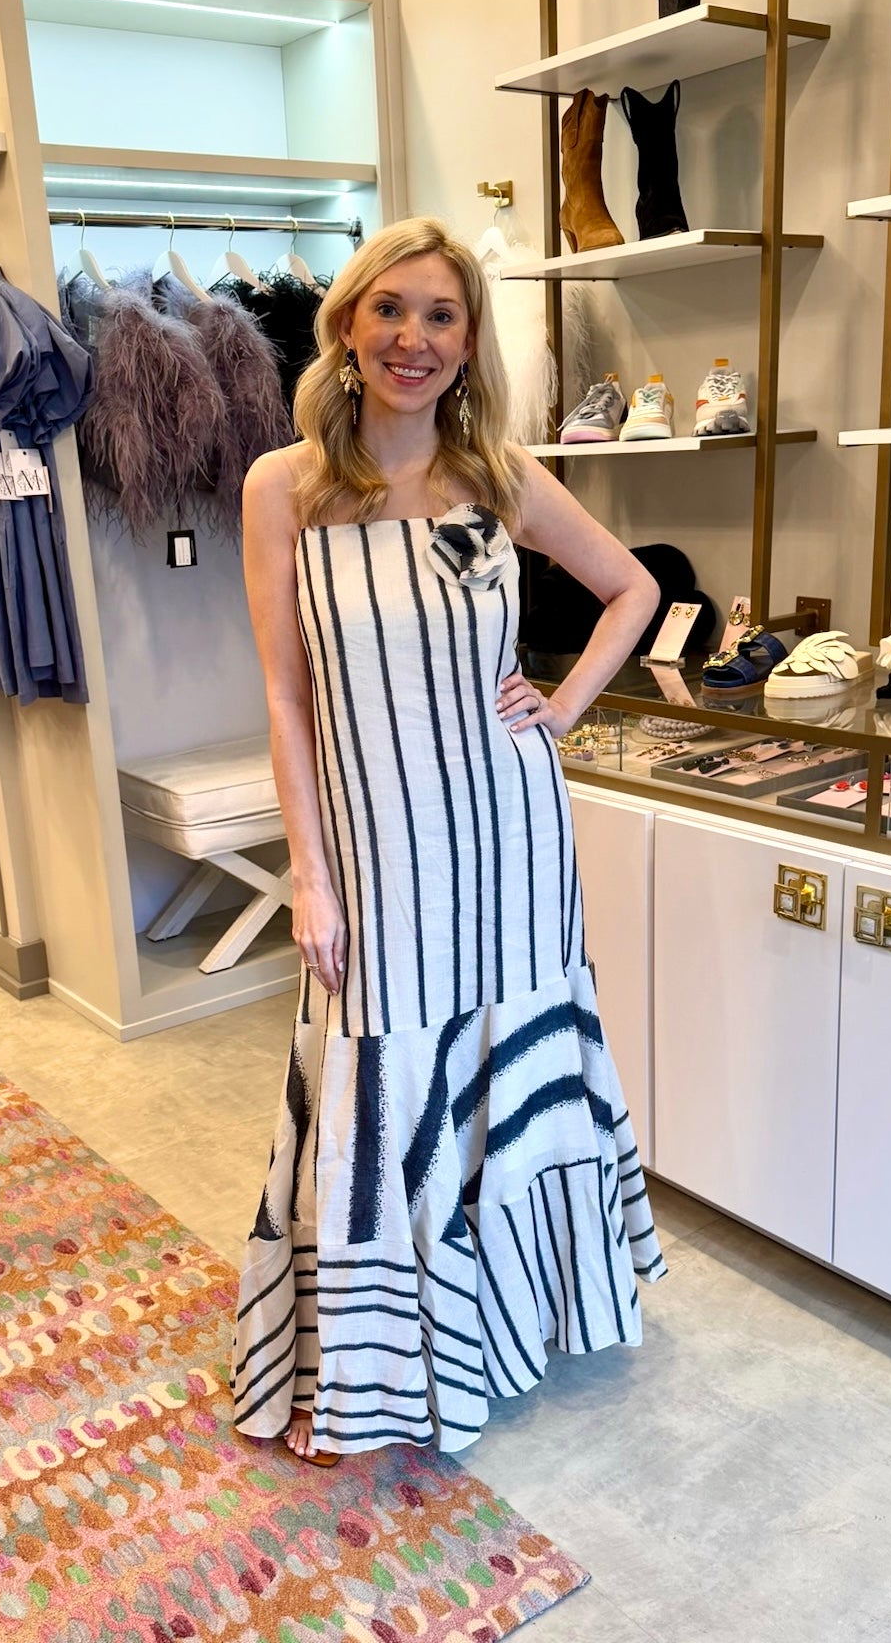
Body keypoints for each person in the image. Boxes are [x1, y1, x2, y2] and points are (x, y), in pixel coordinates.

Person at [233, 216, 666, 1466]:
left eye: (441, 316)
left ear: (469, 342)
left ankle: (523, 1321)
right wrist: (309, 874)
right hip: (377, 852)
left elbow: (633, 588)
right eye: (391, 309)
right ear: (347, 323)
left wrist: (562, 708)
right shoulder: (285, 488)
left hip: (509, 835)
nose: (413, 338)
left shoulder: (498, 477)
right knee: (382, 1078)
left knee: (512, 1059)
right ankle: (380, 1367)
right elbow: (286, 697)